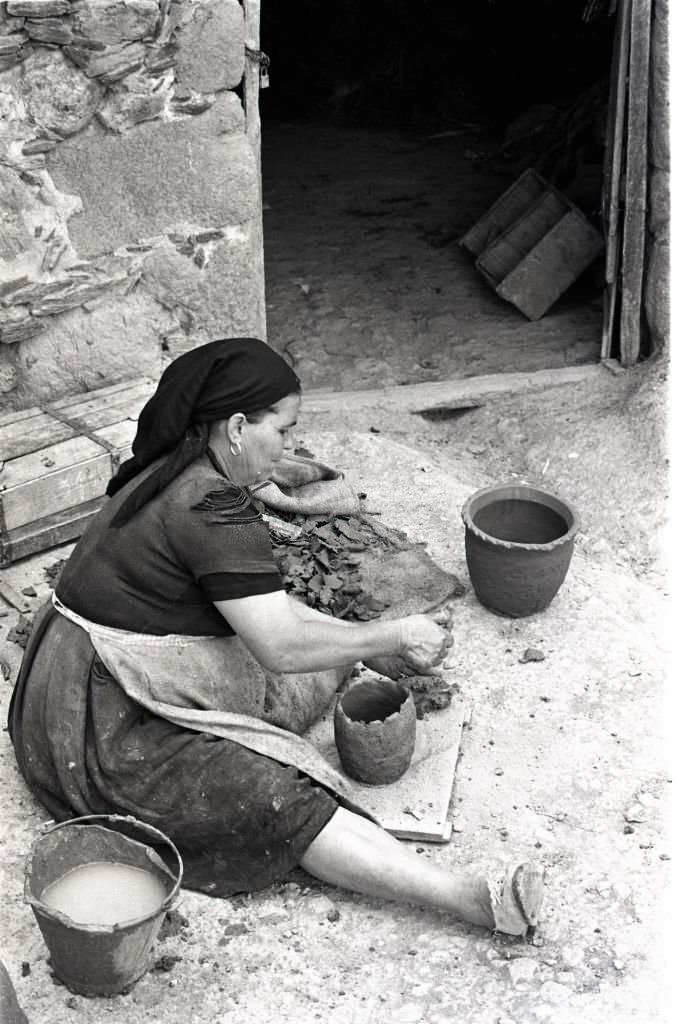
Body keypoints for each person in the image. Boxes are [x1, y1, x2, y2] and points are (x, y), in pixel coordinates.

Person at [8, 338, 543, 936]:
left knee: (317, 674)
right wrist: (390, 633)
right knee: (276, 797)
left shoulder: (175, 463)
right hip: (91, 726)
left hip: (76, 669)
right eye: (283, 431)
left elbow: (272, 612)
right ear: (236, 426)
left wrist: (368, 639)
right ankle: (467, 897)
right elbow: (280, 646)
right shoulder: (211, 509)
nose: (290, 448)